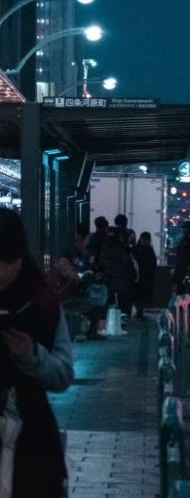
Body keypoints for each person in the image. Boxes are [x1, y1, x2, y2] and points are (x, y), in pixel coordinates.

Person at [0, 207, 74, 496]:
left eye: (8, 261)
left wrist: (30, 355)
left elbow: (63, 374)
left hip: (32, 440)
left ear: (20, 259)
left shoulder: (42, 303)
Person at [101, 215, 136, 319]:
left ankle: (109, 316)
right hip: (123, 274)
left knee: (110, 297)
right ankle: (124, 316)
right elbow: (131, 252)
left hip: (109, 273)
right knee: (125, 298)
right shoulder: (129, 234)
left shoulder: (108, 238)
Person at [133, 232, 157, 320]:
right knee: (139, 295)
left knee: (141, 295)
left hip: (143, 276)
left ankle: (140, 311)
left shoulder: (138, 249)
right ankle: (139, 311)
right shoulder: (145, 250)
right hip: (141, 276)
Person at [172, 222, 190, 294]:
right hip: (182, 267)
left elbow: (188, 255)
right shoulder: (185, 239)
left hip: (185, 268)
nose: (183, 230)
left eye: (184, 228)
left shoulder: (188, 240)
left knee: (183, 289)